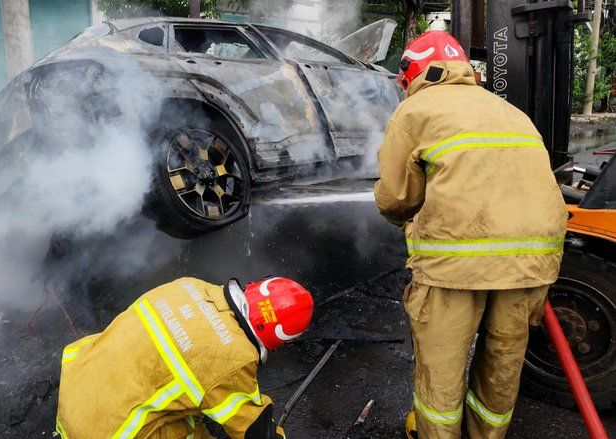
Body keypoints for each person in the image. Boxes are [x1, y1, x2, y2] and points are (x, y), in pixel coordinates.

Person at [373, 31, 567, 438]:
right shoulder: (511, 112)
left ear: (412, 72)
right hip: (533, 264)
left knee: (440, 379)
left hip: (455, 266)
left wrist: (410, 220)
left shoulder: (416, 110)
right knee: (501, 367)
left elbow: (395, 199)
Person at [55, 276, 314, 439]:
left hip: (76, 392)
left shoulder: (190, 285)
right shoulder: (233, 358)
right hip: (105, 431)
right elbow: (251, 428)